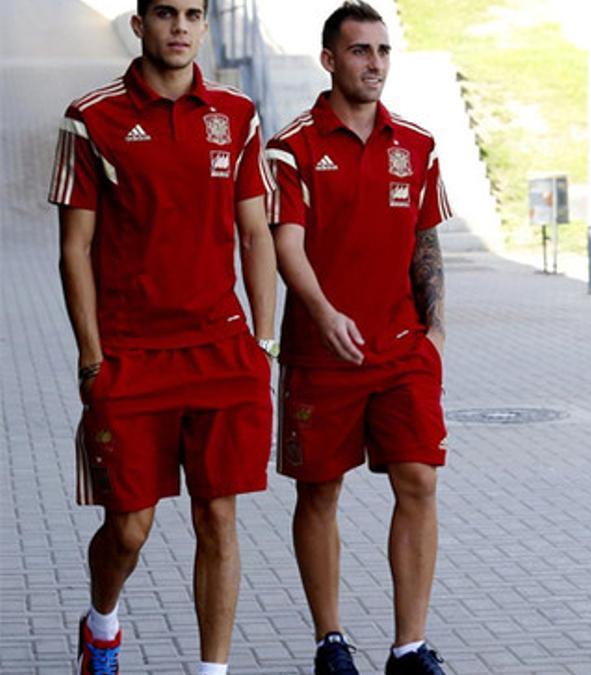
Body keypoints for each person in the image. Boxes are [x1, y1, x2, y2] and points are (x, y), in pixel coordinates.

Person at [48, 0, 277, 673]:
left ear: (205, 26)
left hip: (221, 352)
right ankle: (102, 625)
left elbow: (256, 231)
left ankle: (212, 669)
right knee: (129, 526)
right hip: (130, 356)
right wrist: (92, 358)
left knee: (218, 518)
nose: (180, 26)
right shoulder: (91, 117)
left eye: (193, 14)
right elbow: (74, 249)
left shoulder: (236, 116)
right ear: (138, 24)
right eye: (166, 13)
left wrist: (263, 341)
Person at [264, 2, 451, 673]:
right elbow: (287, 245)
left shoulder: (419, 145)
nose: (374, 64)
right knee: (319, 492)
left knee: (419, 481)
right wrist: (322, 311)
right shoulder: (293, 148)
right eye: (359, 51)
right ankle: (330, 638)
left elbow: (425, 239)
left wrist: (432, 327)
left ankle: (409, 645)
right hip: (322, 354)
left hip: (402, 351)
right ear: (329, 60)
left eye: (382, 51)